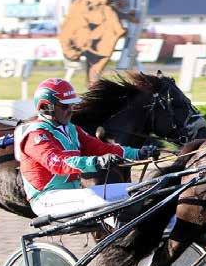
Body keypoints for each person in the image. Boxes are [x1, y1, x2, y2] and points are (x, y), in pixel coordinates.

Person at [18, 78, 158, 218]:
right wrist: (96, 162)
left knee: (142, 190)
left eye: (72, 105)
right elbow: (58, 164)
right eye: (65, 106)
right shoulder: (36, 135)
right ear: (47, 107)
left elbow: (102, 148)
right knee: (127, 197)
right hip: (47, 200)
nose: (71, 111)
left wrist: (138, 153)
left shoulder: (72, 130)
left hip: (72, 196)